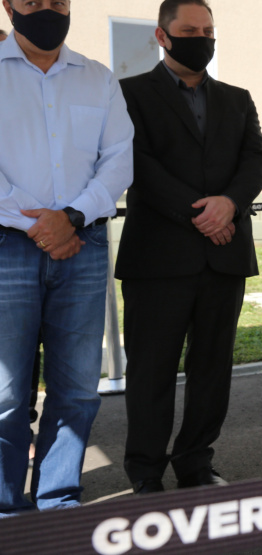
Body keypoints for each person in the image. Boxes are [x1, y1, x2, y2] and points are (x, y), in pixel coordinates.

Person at [115, 0, 262, 494]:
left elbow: (257, 160)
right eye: (189, 30)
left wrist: (230, 204)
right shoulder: (128, 94)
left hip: (224, 258)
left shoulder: (237, 99)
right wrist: (203, 214)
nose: (201, 39)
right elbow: (137, 164)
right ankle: (145, 472)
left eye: (207, 30)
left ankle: (195, 464)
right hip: (157, 261)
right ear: (162, 36)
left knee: (212, 370)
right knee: (151, 372)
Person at [0, 0, 134, 515]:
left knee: (77, 389)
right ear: (9, 6)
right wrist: (43, 226)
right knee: (6, 393)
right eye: (33, 1)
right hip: (8, 246)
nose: (47, 9)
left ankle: (58, 502)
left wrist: (72, 218)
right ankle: (6, 508)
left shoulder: (98, 78)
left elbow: (119, 159)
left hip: (83, 245)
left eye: (57, 1)